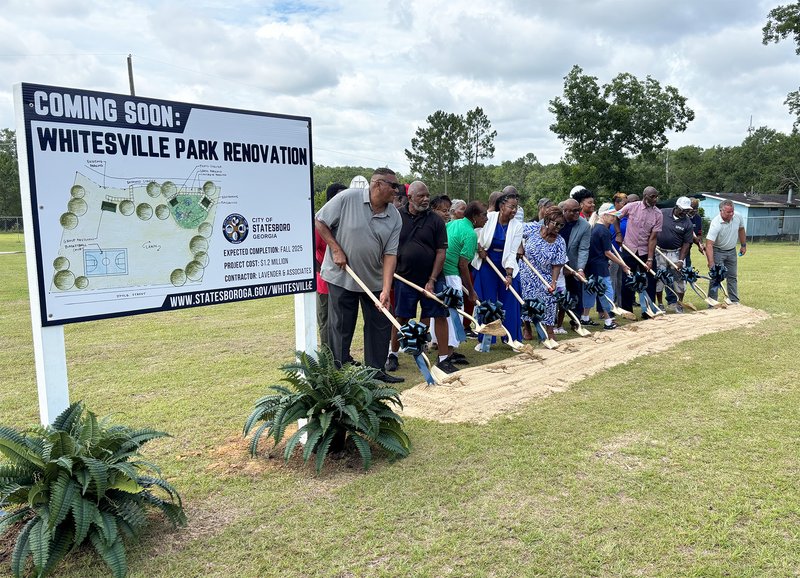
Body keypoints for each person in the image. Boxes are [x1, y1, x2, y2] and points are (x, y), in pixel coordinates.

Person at [315, 168, 404, 383]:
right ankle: (339, 374)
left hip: (373, 278)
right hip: (342, 276)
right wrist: (335, 249)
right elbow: (320, 221)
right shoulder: (347, 198)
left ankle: (375, 373)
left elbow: (390, 254)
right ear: (377, 184)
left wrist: (385, 290)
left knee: (380, 323)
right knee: (342, 325)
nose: (396, 191)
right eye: (393, 186)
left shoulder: (394, 216)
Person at [386, 181, 458, 374]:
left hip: (432, 279)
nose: (426, 199)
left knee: (440, 315)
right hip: (404, 278)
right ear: (410, 197)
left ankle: (444, 359)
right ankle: (392, 355)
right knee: (400, 317)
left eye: (427, 195)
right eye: (421, 196)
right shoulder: (396, 216)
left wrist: (432, 280)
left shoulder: (436, 220)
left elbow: (441, 252)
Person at [472, 192, 523, 349]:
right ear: (502, 206)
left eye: (516, 207)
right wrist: (479, 248)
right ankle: (485, 341)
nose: (514, 211)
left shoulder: (517, 226)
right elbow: (475, 234)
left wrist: (508, 275)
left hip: (506, 264)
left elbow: (512, 253)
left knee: (510, 301)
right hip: (487, 263)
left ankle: (512, 339)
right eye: (511, 207)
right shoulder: (489, 217)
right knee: (487, 302)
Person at [440, 200, 488, 361]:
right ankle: (449, 352)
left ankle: (438, 344)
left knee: (442, 312)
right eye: (484, 215)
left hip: (440, 271)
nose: (486, 219)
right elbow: (463, 265)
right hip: (452, 274)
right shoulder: (470, 234)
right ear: (474, 217)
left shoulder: (456, 223)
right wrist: (472, 292)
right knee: (455, 314)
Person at [520, 206, 567, 340]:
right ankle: (527, 328)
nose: (558, 228)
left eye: (561, 225)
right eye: (556, 224)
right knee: (527, 300)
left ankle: (549, 330)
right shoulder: (532, 229)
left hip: (545, 275)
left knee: (550, 299)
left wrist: (553, 282)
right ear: (547, 221)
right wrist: (520, 247)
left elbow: (557, 265)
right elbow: (515, 232)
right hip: (527, 272)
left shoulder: (560, 242)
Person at [582, 203, 631, 329]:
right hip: (600, 266)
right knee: (607, 292)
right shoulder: (603, 231)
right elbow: (607, 252)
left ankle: (585, 318)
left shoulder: (593, 227)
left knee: (590, 291)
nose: (614, 218)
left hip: (590, 266)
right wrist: (622, 264)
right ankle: (609, 321)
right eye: (611, 216)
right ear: (603, 216)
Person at [617, 186, 663, 318]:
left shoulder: (658, 214)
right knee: (627, 279)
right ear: (645, 196)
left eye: (656, 196)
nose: (655, 199)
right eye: (652, 196)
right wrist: (619, 234)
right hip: (629, 249)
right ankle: (627, 310)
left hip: (645, 251)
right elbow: (615, 217)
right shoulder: (632, 206)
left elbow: (653, 238)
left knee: (649, 280)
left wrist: (649, 259)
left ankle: (648, 310)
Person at [315, 183, 347, 350]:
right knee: (327, 320)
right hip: (325, 283)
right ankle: (328, 356)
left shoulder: (343, 222)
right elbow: (311, 252)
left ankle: (342, 355)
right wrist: (322, 272)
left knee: (341, 320)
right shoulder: (321, 223)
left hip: (343, 281)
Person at [655, 196, 694, 312]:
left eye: (687, 210)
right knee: (659, 279)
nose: (685, 213)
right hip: (659, 251)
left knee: (679, 279)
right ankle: (660, 304)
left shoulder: (687, 223)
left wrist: (681, 260)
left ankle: (679, 304)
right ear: (676, 207)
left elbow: (687, 243)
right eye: (683, 210)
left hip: (676, 253)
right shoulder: (662, 213)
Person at [556, 198, 590, 329]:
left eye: (579, 210)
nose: (577, 213)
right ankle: (553, 321)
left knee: (574, 293)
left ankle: (575, 319)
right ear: (564, 211)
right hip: (554, 264)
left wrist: (580, 268)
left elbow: (583, 249)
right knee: (556, 292)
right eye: (573, 211)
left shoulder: (585, 226)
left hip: (572, 264)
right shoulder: (555, 220)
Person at [705, 199, 746, 303]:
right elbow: (709, 244)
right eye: (728, 212)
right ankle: (712, 302)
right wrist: (711, 262)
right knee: (716, 277)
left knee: (732, 276)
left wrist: (743, 245)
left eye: (732, 211)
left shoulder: (738, 216)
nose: (731, 214)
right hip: (718, 251)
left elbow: (741, 229)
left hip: (732, 251)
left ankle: (734, 300)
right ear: (721, 211)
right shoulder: (716, 223)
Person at [608, 192, 629, 304]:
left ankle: (619, 302)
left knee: (620, 278)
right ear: (616, 203)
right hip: (612, 251)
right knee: (612, 278)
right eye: (624, 203)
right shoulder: (611, 214)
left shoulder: (625, 214)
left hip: (622, 250)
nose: (626, 206)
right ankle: (611, 303)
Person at [685, 197, 705, 268]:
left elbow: (699, 234)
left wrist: (700, 245)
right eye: (693, 208)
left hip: (687, 250)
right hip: (677, 249)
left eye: (697, 208)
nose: (695, 210)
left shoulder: (698, 218)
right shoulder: (682, 217)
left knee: (687, 269)